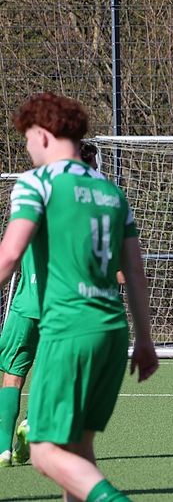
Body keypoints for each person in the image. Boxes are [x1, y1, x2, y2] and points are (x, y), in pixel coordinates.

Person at [0, 93, 158, 501]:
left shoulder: (37, 183)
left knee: (45, 453)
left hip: (68, 329)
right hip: (112, 332)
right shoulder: (112, 193)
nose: (28, 149)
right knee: (78, 453)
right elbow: (135, 274)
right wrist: (144, 340)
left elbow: (10, 256)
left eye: (27, 138)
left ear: (44, 134)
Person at [0, 140, 102, 469]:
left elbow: (11, 255)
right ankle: (33, 421)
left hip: (26, 305)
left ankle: (3, 449)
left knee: (13, 375)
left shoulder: (36, 198)